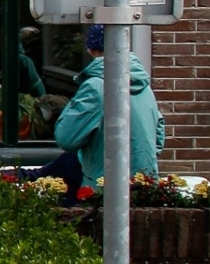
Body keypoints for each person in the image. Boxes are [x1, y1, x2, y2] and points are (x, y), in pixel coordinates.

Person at [53, 25, 166, 198]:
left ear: (90, 50)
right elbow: (158, 138)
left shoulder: (96, 87)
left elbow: (66, 138)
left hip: (105, 192)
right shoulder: (145, 87)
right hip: (146, 190)